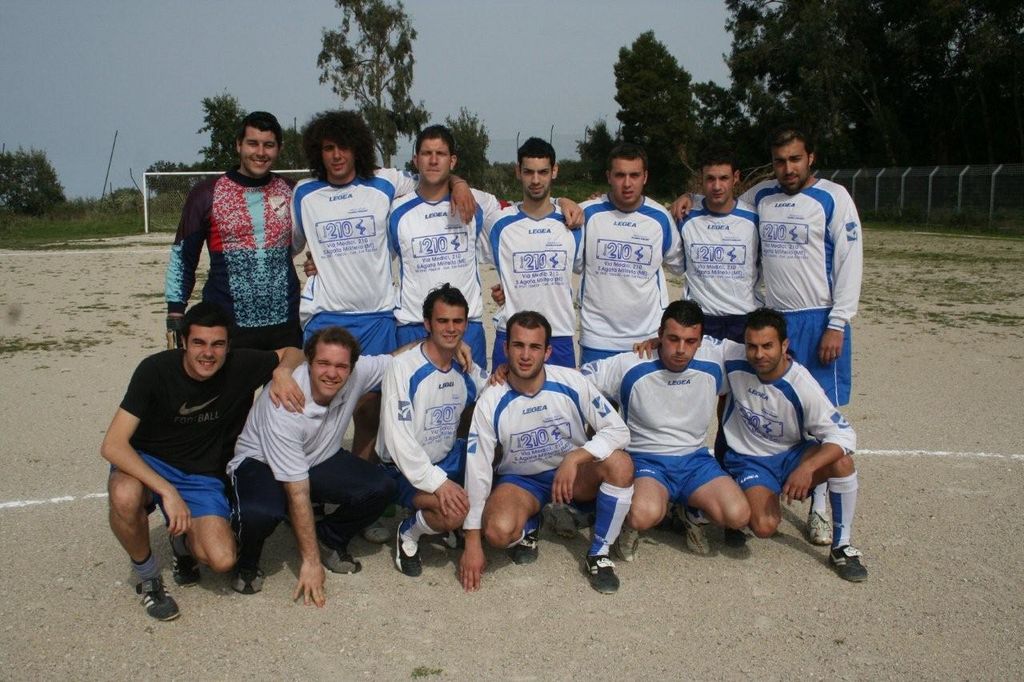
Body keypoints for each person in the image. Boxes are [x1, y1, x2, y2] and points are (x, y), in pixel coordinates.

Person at [291, 110, 476, 465]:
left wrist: (460, 183)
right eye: (328, 148)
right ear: (318, 152)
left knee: (371, 412)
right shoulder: (304, 193)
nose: (337, 155)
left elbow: (432, 174)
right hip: (325, 316)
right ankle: (306, 479)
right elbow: (293, 245)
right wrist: (312, 263)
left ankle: (361, 482)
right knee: (315, 410)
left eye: (344, 147)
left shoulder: (385, 182)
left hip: (376, 317)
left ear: (357, 149)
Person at [100, 302, 304, 621]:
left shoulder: (241, 365)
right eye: (198, 342)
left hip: (199, 474)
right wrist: (168, 492)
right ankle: (149, 578)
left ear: (229, 346)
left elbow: (294, 351)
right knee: (124, 495)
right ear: (184, 342)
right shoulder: (154, 371)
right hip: (148, 462)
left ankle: (182, 543)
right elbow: (113, 445)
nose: (208, 353)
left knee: (222, 560)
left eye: (217, 344)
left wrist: (282, 371)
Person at [738, 126, 864, 545]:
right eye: (780, 161)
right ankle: (768, 474)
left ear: (811, 157)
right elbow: (723, 206)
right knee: (782, 406)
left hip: (819, 319)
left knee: (821, 414)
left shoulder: (833, 197)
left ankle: (820, 507)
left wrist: (837, 322)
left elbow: (849, 261)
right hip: (777, 321)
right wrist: (689, 199)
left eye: (795, 159)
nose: (788, 168)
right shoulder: (761, 196)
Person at [459, 311, 634, 594]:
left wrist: (575, 457)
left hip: (572, 476)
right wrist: (472, 542)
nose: (526, 355)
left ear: (547, 352)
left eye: (535, 347)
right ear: (506, 348)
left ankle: (599, 554)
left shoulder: (571, 382)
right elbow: (477, 469)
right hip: (522, 482)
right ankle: (531, 521)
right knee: (497, 532)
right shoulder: (491, 400)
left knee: (621, 464)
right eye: (518, 345)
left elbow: (618, 430)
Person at [226, 326, 398, 604]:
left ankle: (330, 537)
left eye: (341, 366)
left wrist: (446, 345)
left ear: (352, 367)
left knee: (383, 486)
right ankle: (247, 560)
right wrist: (310, 562)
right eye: (323, 363)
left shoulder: (357, 373)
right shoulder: (285, 402)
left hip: (316, 458)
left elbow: (398, 358)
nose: (332, 373)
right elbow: (298, 491)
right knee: (259, 513)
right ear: (308, 362)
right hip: (260, 462)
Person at [581, 300, 750, 561]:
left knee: (738, 515)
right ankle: (630, 523)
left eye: (690, 341)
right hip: (647, 461)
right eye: (673, 339)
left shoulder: (716, 357)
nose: (681, 349)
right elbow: (576, 381)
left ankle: (691, 514)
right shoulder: (632, 363)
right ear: (659, 334)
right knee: (644, 514)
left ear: (701, 340)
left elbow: (763, 352)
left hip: (695, 460)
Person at [720, 308, 868, 582]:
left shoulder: (801, 384)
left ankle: (842, 547)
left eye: (767, 346)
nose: (759, 354)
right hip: (749, 460)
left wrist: (806, 469)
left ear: (784, 345)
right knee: (764, 527)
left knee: (841, 462)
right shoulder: (732, 356)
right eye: (752, 346)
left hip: (791, 456)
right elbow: (691, 342)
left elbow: (845, 435)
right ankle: (750, 493)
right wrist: (656, 341)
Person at [377, 284, 489, 577]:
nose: (451, 329)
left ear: (466, 324)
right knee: (455, 513)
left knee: (498, 452)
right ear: (427, 324)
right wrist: (438, 483)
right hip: (403, 470)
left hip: (446, 460)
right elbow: (399, 440)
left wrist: (503, 375)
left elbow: (494, 391)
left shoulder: (464, 367)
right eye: (442, 321)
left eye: (457, 321)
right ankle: (409, 531)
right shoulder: (402, 368)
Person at [165, 111, 302, 351]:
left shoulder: (293, 191)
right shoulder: (206, 194)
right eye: (253, 143)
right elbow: (183, 257)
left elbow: (320, 243)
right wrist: (175, 315)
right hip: (226, 327)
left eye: (269, 145)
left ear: (279, 148)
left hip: (286, 326)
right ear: (239, 145)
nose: (260, 152)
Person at [388, 125, 500, 370]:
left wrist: (559, 201)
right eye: (427, 153)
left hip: (466, 325)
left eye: (440, 153)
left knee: (471, 393)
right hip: (413, 325)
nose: (433, 160)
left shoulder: (476, 202)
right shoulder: (397, 211)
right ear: (415, 160)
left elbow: (522, 214)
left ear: (453, 160)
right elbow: (375, 259)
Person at [578, 143, 683, 365]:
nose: (627, 184)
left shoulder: (660, 218)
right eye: (620, 175)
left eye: (634, 175)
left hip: (646, 339)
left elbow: (680, 265)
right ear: (609, 176)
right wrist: (560, 200)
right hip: (597, 337)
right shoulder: (587, 213)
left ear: (645, 177)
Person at [483, 137, 582, 369]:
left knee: (561, 394)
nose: (536, 180)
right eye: (528, 172)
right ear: (518, 171)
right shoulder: (497, 224)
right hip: (512, 336)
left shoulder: (573, 222)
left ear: (554, 171)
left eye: (543, 172)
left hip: (559, 335)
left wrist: (562, 201)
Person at [676, 146, 761, 343]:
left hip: (744, 318)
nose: (716, 186)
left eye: (723, 178)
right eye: (710, 178)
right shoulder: (685, 216)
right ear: (701, 178)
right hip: (699, 318)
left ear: (736, 177)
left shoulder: (755, 218)